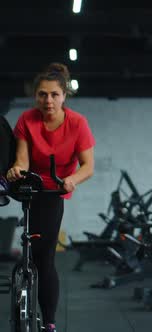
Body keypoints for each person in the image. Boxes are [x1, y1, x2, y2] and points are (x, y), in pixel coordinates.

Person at [5, 63, 95, 332]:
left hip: (56, 189)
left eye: (54, 94)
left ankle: (50, 322)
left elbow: (88, 166)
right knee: (29, 250)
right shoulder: (26, 120)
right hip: (31, 187)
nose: (48, 100)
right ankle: (24, 280)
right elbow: (22, 158)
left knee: (44, 258)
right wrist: (16, 170)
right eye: (43, 94)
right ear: (36, 96)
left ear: (64, 95)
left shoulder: (78, 123)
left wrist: (72, 180)